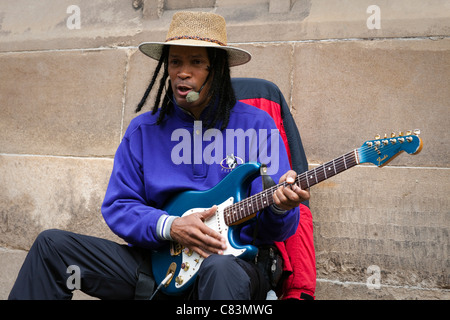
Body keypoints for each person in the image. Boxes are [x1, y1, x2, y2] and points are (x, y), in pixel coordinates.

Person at [9, 11, 309, 300]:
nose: (183, 72)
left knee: (220, 269)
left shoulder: (257, 125)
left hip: (232, 268)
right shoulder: (143, 130)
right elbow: (118, 206)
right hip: (158, 265)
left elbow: (275, 231)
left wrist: (281, 208)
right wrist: (170, 226)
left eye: (195, 62)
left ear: (216, 69)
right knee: (53, 246)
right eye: (175, 61)